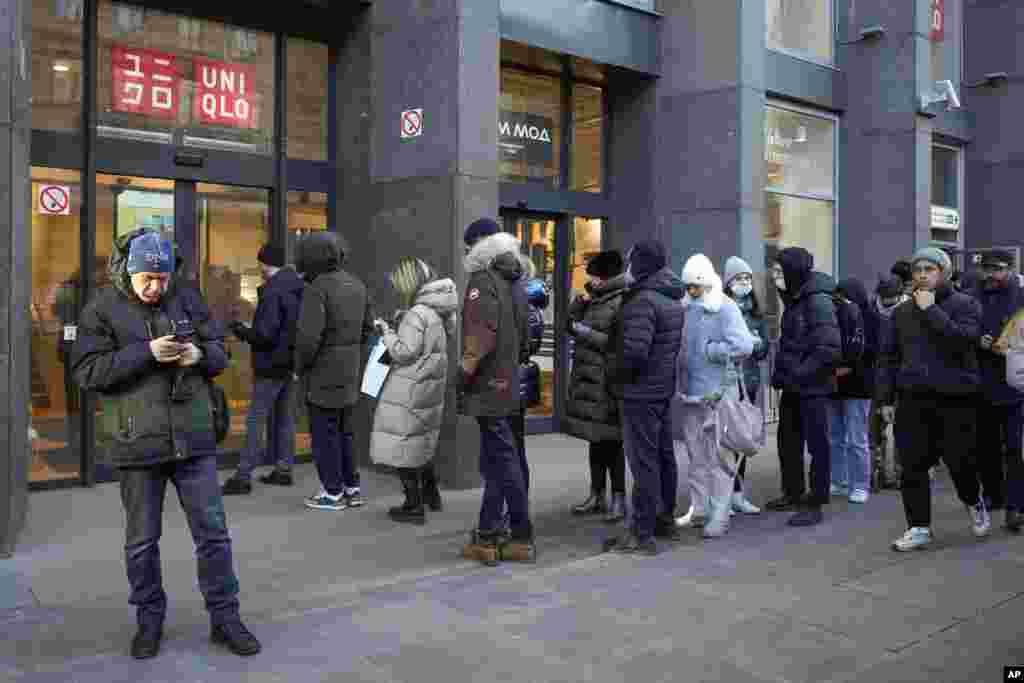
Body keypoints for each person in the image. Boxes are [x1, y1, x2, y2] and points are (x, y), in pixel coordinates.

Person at [71, 228, 260, 660]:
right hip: (137, 444)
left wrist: (201, 356)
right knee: (142, 541)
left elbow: (219, 349)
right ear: (128, 272)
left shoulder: (187, 297)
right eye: (147, 280)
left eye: (163, 278)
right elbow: (87, 371)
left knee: (214, 535)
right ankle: (149, 622)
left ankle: (225, 618)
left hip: (193, 439)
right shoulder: (102, 309)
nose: (157, 288)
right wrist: (147, 353)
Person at [878, 247, 990, 551]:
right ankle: (919, 526)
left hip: (955, 397)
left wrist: (932, 310)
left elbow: (963, 341)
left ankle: (973, 499)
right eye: (918, 270)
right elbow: (888, 357)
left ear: (944, 273)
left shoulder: (966, 304)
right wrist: (886, 399)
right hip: (914, 398)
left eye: (931, 269)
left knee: (960, 461)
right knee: (912, 465)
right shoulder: (900, 312)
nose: (923, 275)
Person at [458, 218, 534, 566]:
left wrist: (463, 373)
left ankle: (520, 534)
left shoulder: (483, 282)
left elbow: (480, 336)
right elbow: (525, 337)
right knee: (502, 460)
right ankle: (489, 532)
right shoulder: (515, 281)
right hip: (509, 383)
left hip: (489, 385)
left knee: (502, 463)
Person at [604, 240, 685, 556]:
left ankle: (642, 531)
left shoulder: (642, 302)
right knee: (663, 456)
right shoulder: (670, 299)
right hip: (661, 389)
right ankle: (663, 519)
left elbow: (634, 353)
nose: (627, 267)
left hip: (639, 392)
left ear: (641, 265)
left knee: (644, 461)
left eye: (630, 261)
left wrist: (614, 372)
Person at [369, 258, 458, 525]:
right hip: (428, 388)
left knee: (403, 445)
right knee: (420, 441)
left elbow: (403, 352)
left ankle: (413, 505)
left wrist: (386, 331)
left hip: (409, 387)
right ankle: (431, 496)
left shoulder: (417, 313)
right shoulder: (439, 312)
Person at [672, 254, 754, 539]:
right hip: (691, 394)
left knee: (720, 458)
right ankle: (700, 507)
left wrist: (711, 351)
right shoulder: (685, 309)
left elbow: (744, 345)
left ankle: (719, 513)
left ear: (707, 284)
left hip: (719, 395)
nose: (691, 292)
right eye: (688, 287)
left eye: (696, 287)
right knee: (696, 455)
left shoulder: (725, 308)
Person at [294, 231, 374, 511]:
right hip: (350, 371)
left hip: (322, 373)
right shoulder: (358, 285)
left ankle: (332, 492)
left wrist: (299, 367)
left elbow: (308, 338)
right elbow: (368, 329)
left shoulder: (317, 288)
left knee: (324, 435)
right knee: (346, 432)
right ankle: (352, 488)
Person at [765, 247, 841, 527]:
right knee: (788, 441)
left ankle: (816, 501)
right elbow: (792, 344)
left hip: (814, 387)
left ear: (793, 271)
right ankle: (793, 493)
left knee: (817, 444)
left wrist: (797, 372)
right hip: (796, 386)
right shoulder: (795, 298)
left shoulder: (816, 301)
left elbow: (828, 349)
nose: (774, 277)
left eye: (778, 271)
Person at [222, 244, 305, 494]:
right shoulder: (299, 288)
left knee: (256, 419)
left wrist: (242, 330)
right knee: (284, 419)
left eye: (260, 264)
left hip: (270, 365)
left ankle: (243, 475)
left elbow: (265, 335)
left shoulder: (273, 291)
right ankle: (283, 469)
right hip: (291, 363)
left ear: (265, 264)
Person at [565, 249, 628, 523]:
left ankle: (619, 498)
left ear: (608, 277)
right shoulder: (596, 298)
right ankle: (596, 495)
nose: (591, 281)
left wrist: (586, 333)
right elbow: (570, 324)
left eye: (596, 276)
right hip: (590, 380)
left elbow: (616, 344)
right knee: (595, 440)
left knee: (613, 442)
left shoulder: (621, 301)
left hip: (607, 382)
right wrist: (578, 306)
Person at [971, 250, 1024, 526]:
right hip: (982, 382)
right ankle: (994, 494)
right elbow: (963, 329)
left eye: (996, 269)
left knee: (1016, 448)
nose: (990, 274)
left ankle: (1016, 505)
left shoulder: (1021, 295)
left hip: (1016, 383)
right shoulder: (974, 294)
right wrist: (977, 339)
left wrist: (1008, 344)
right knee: (986, 446)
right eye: (986, 269)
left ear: (1010, 269)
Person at [722, 255, 770, 516]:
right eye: (739, 278)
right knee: (726, 440)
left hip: (749, 382)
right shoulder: (721, 308)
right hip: (728, 382)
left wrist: (756, 343)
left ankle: (738, 494)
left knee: (743, 439)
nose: (745, 282)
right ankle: (724, 495)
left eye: (748, 278)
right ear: (728, 282)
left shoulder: (755, 311)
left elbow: (764, 350)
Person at [830, 278, 879, 505]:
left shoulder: (870, 318)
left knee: (856, 438)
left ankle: (860, 484)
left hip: (858, 385)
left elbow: (872, 352)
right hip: (835, 384)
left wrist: (849, 365)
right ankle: (839, 481)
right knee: (836, 437)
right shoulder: (835, 316)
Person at [871, 276, 907, 490]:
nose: (886, 302)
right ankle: (881, 474)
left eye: (890, 298)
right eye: (883, 298)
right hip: (880, 375)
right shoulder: (872, 310)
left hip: (901, 377)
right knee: (876, 431)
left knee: (903, 430)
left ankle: (902, 474)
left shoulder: (910, 311)